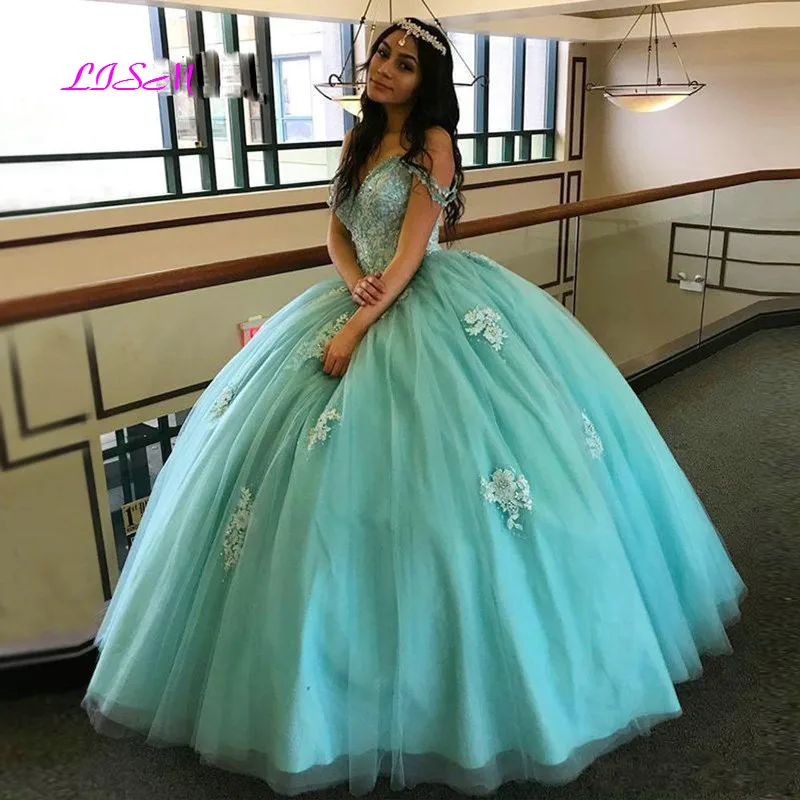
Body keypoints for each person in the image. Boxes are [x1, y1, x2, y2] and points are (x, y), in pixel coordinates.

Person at [82, 17, 747, 797]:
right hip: (358, 292)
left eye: (404, 63)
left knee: (455, 479)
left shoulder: (434, 142)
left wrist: (357, 324)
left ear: (425, 83)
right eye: (381, 55)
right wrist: (350, 284)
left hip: (420, 302)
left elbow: (410, 252)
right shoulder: (358, 137)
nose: (386, 69)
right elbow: (337, 230)